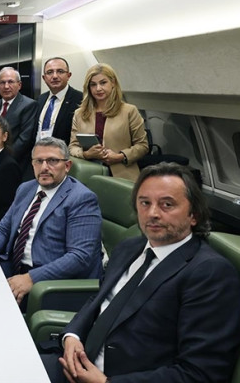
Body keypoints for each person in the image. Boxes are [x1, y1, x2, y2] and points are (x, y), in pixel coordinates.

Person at [45, 162, 240, 383]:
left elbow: (200, 373)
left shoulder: (210, 273)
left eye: (167, 204)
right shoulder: (129, 248)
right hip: (74, 363)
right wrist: (72, 335)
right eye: (145, 203)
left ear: (193, 215)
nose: (153, 213)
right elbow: (99, 300)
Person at [0, 137, 102, 308]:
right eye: (39, 161)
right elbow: (4, 228)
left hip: (50, 281)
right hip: (14, 265)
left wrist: (31, 278)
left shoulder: (81, 199)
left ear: (67, 166)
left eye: (52, 161)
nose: (44, 167)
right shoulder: (26, 188)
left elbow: (80, 257)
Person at [69, 63, 149, 182]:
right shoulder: (79, 114)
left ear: (113, 83)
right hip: (89, 175)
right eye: (93, 84)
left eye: (103, 83)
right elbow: (72, 147)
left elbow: (142, 146)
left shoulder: (129, 111)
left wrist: (120, 156)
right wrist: (87, 154)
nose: (98, 88)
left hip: (122, 175)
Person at [0, 66, 38, 165]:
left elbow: (24, 139)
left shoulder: (29, 105)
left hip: (15, 162)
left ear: (19, 85)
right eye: (2, 82)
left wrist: (2, 158)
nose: (6, 86)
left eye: (10, 82)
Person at [35, 57, 83, 145]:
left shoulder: (80, 100)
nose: (55, 76)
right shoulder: (40, 100)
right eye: (50, 72)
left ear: (68, 75)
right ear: (44, 78)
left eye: (60, 71)